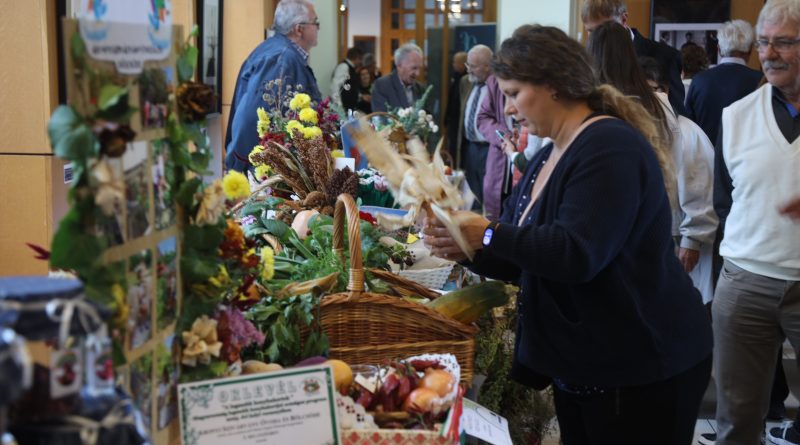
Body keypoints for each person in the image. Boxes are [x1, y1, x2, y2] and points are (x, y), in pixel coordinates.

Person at [424, 25, 712, 445]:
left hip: (643, 363)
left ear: (555, 85)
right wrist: (464, 246)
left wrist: (488, 232)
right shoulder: (548, 155)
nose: (507, 110)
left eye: (514, 93)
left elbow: (576, 253)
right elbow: (526, 252)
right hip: (591, 364)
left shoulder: (608, 147)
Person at [711, 1, 800, 444]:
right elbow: (724, 199)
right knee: (737, 419)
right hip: (745, 284)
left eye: (783, 42)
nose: (770, 53)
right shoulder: (737, 116)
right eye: (764, 42)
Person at [588, 21, 718, 305]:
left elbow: (690, 170)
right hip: (638, 227)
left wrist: (692, 237)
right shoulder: (641, 105)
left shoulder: (655, 110)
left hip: (642, 228)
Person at [225, 0, 322, 171]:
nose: (318, 28)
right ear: (299, 29)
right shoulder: (282, 58)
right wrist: (248, 170)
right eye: (315, 23)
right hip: (262, 173)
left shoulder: (279, 52)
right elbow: (253, 119)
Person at [581, 0, 687, 115]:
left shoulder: (666, 57)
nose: (596, 38)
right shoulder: (584, 60)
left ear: (624, 19)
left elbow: (677, 115)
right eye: (591, 31)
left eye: (602, 30)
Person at [685, 19, 763, 145]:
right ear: (749, 50)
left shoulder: (699, 81)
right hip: (748, 161)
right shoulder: (762, 81)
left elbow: (688, 128)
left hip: (707, 161)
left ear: (719, 49)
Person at [457, 44, 493, 210]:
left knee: (488, 194)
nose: (468, 70)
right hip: (470, 147)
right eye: (467, 65)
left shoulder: (497, 86)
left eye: (473, 66)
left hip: (489, 148)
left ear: (488, 66)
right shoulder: (466, 83)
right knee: (471, 194)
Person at [371, 43, 428, 112]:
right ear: (399, 65)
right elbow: (381, 119)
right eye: (414, 68)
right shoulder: (382, 86)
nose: (418, 73)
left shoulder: (421, 89)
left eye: (419, 68)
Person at [445, 51, 469, 165]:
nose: (453, 64)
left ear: (463, 63)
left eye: (455, 62)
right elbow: (451, 99)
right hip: (453, 119)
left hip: (460, 120)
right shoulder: (454, 76)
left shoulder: (467, 81)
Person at [331, 46, 364, 113]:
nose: (360, 62)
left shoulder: (351, 69)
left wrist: (360, 96)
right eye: (360, 59)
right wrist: (339, 107)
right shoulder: (344, 67)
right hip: (343, 109)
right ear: (357, 58)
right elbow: (335, 86)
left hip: (349, 109)